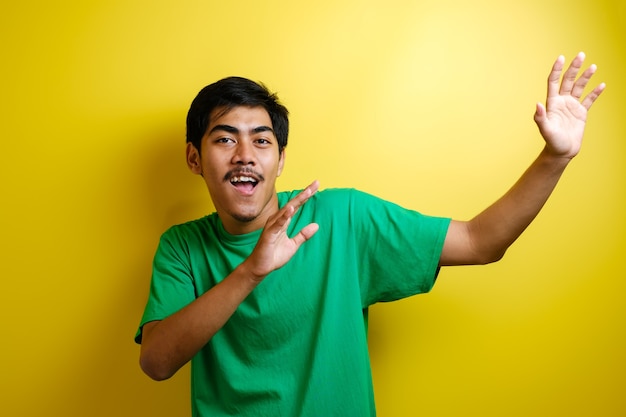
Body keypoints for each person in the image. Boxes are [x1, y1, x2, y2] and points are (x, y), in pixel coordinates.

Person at [135, 53, 605, 416]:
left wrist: (554, 158)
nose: (244, 154)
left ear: (280, 160)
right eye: (224, 138)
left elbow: (482, 242)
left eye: (261, 140)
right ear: (195, 159)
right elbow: (156, 363)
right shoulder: (182, 247)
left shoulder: (343, 218)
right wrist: (252, 271)